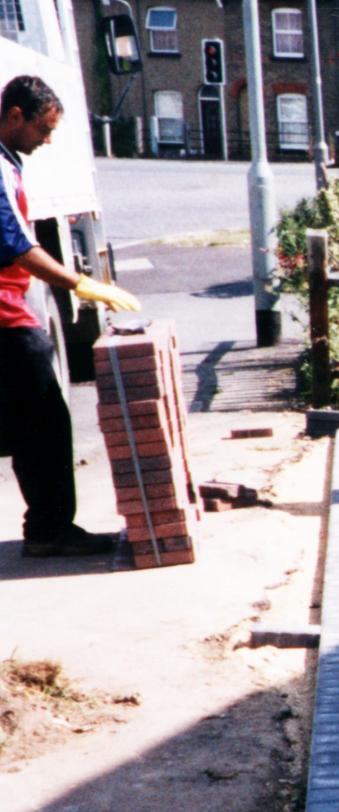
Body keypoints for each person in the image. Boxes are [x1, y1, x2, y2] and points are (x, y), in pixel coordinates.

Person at [1, 75, 142, 558]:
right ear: (15, 116)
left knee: (26, 420)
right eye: (43, 129)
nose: (47, 140)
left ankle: (46, 524)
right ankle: (48, 529)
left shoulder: (9, 161)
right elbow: (17, 243)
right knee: (46, 417)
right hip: (4, 316)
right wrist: (80, 283)